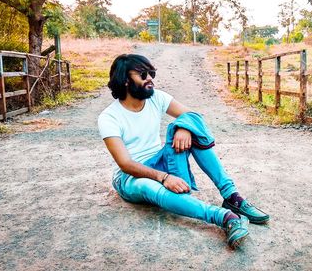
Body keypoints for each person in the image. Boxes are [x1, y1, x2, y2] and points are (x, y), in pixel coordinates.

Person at [98, 54, 269, 249]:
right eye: (143, 74)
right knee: (148, 187)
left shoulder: (156, 98)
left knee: (190, 128)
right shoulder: (109, 117)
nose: (150, 79)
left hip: (161, 160)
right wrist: (164, 178)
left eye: (151, 73)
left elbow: (192, 115)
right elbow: (125, 164)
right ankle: (225, 218)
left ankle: (232, 197)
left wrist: (184, 128)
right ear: (126, 80)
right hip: (130, 178)